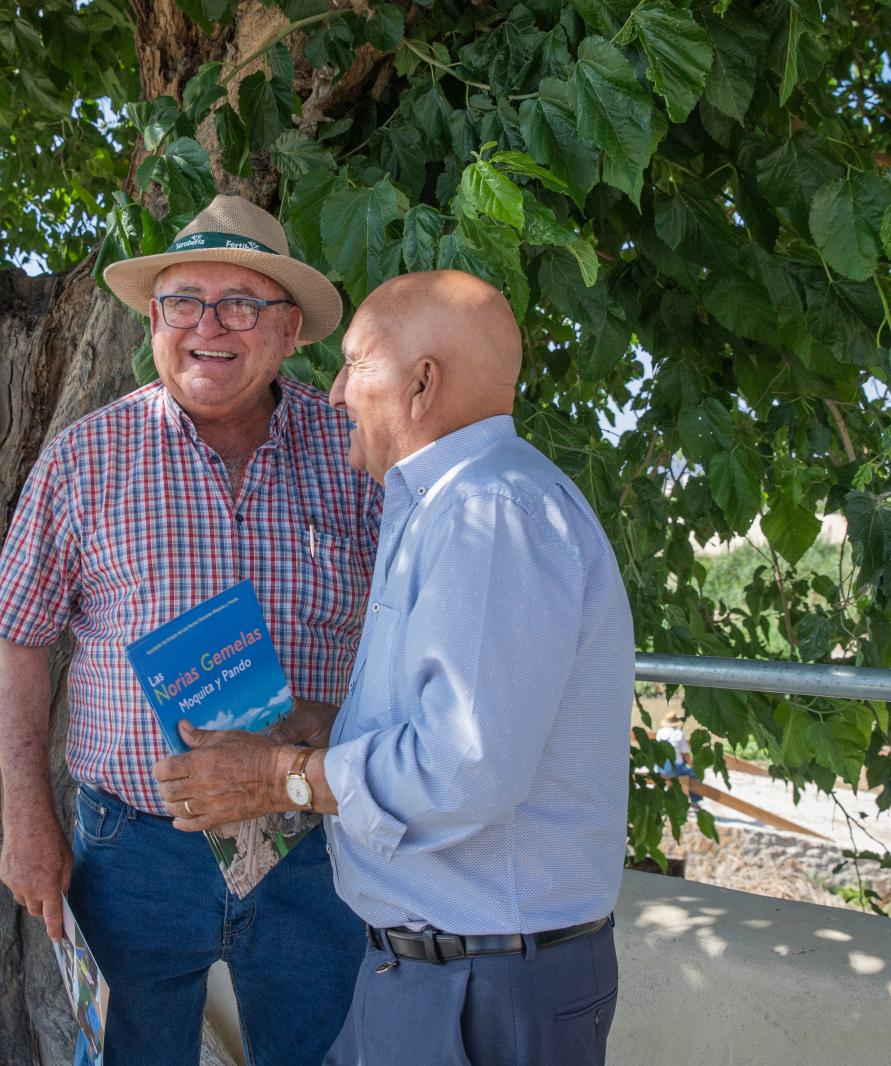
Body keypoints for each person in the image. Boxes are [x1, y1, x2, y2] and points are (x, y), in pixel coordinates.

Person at [154, 269, 634, 1066]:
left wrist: (280, 776)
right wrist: (332, 726)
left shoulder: (490, 512)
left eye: (354, 364)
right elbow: (456, 726)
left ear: (422, 383)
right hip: (435, 972)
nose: (335, 391)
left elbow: (462, 769)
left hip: (482, 986)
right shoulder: (448, 505)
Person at [0, 195, 380, 1065]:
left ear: (288, 330)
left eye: (240, 304)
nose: (208, 326)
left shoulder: (355, 450)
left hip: (315, 841)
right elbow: (15, 633)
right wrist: (27, 816)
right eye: (183, 302)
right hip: (133, 853)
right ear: (155, 321)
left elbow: (414, 627)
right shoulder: (85, 457)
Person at [655, 710, 702, 810]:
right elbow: (686, 754)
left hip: (660, 767)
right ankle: (695, 801)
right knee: (695, 774)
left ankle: (662, 800)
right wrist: (692, 765)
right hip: (674, 767)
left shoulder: (659, 733)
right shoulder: (678, 734)